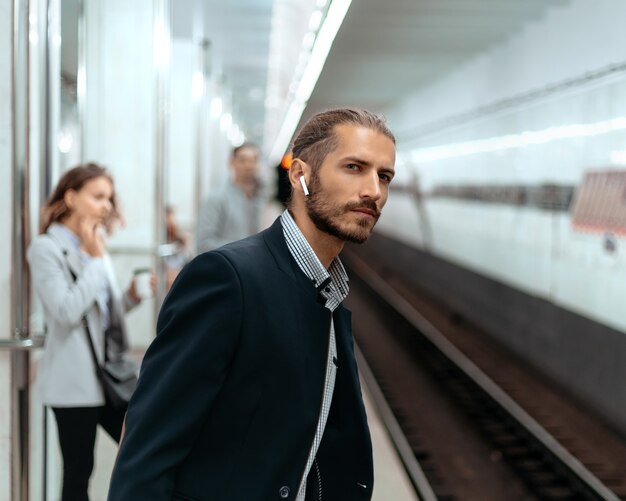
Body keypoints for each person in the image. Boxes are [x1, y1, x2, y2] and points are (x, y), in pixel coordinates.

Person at [107, 108, 397, 500]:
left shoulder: (326, 292)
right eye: (354, 167)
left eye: (384, 176)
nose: (373, 191)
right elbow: (148, 451)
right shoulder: (225, 279)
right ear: (300, 175)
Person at [27, 163, 151, 501]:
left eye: (109, 198)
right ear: (71, 197)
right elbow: (67, 312)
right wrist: (96, 260)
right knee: (79, 474)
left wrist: (131, 297)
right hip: (73, 384)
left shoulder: (95, 243)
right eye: (98, 197)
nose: (106, 206)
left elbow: (99, 316)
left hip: (109, 379)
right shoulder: (45, 248)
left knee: (145, 449)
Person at [196, 142, 263, 253]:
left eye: (253, 160)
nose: (249, 166)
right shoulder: (216, 198)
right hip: (224, 268)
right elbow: (204, 244)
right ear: (231, 162)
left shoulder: (257, 200)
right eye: (243, 160)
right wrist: (248, 247)